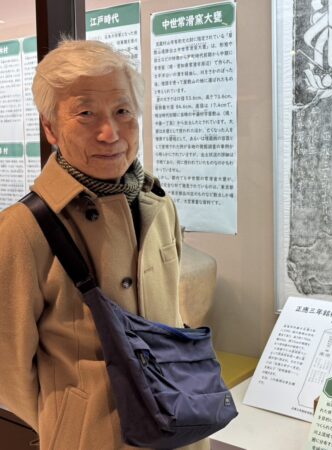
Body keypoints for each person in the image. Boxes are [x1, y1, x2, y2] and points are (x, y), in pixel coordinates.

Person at [0, 40, 206, 449]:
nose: (110, 133)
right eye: (86, 113)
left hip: (182, 426)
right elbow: (7, 368)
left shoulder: (158, 204)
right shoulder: (22, 228)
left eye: (123, 111)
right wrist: (68, 420)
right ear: (50, 127)